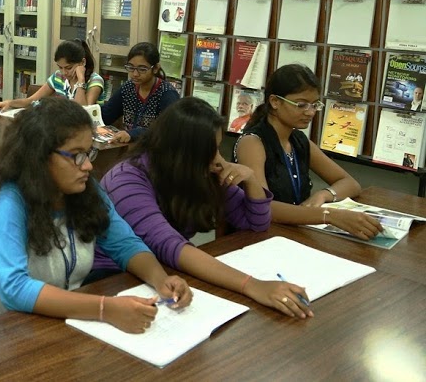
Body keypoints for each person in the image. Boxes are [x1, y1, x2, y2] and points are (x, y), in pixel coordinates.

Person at [0, 97, 191, 325]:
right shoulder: (5, 201)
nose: (88, 165)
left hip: (50, 321)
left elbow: (125, 245)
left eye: (88, 153)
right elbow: (14, 289)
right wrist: (104, 309)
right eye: (76, 156)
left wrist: (161, 280)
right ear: (39, 156)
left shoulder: (84, 190)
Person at [99, 97, 313, 319]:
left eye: (218, 148)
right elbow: (168, 244)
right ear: (183, 154)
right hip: (112, 280)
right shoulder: (126, 179)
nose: (219, 161)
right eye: (210, 151)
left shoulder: (199, 170)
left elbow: (256, 224)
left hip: (168, 275)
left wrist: (250, 180)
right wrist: (252, 285)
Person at [234, 64, 384, 241]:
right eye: (301, 104)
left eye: (314, 105)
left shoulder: (298, 140)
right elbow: (264, 207)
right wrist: (328, 215)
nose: (310, 112)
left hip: (294, 234)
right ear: (275, 102)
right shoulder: (252, 142)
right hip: (257, 238)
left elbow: (350, 183)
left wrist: (324, 194)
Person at [0, 39, 103, 113]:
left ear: (82, 63)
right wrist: (10, 103)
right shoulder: (58, 77)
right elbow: (32, 100)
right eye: (60, 67)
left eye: (68, 68)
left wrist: (81, 80)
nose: (64, 73)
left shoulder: (95, 81)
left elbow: (83, 112)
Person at [100, 42, 180, 143]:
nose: (135, 74)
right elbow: (106, 115)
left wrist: (132, 134)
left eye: (142, 69)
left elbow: (168, 131)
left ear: (155, 68)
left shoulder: (167, 94)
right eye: (131, 67)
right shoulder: (128, 88)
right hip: (130, 149)